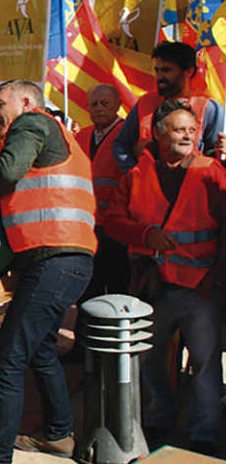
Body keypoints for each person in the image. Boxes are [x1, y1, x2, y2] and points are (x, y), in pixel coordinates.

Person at [0, 80, 96, 464]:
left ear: (26, 101)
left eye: (0, 102)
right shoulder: (58, 133)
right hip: (61, 260)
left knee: (6, 359)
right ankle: (58, 433)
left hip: (54, 260)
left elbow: (9, 171)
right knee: (41, 349)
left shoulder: (31, 123)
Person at [104, 99, 226, 456]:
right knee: (149, 359)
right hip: (152, 289)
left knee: (205, 363)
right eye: (179, 129)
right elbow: (113, 221)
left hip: (199, 288)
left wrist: (217, 280)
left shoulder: (211, 171)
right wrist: (144, 236)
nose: (188, 136)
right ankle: (160, 417)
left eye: (192, 130)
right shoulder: (136, 176)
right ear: (158, 134)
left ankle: (204, 431)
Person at [63, 85, 130, 362]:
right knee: (87, 289)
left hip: (116, 229)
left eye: (104, 103)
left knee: (116, 290)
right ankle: (83, 348)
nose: (98, 108)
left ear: (116, 105)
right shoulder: (81, 136)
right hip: (86, 228)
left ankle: (115, 351)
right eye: (93, 104)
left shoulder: (126, 136)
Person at [112, 41, 225, 173]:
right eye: (157, 70)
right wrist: (134, 172)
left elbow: (215, 155)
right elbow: (121, 145)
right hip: (146, 188)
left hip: (190, 187)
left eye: (166, 70)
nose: (159, 76)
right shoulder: (145, 103)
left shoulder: (210, 109)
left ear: (189, 71)